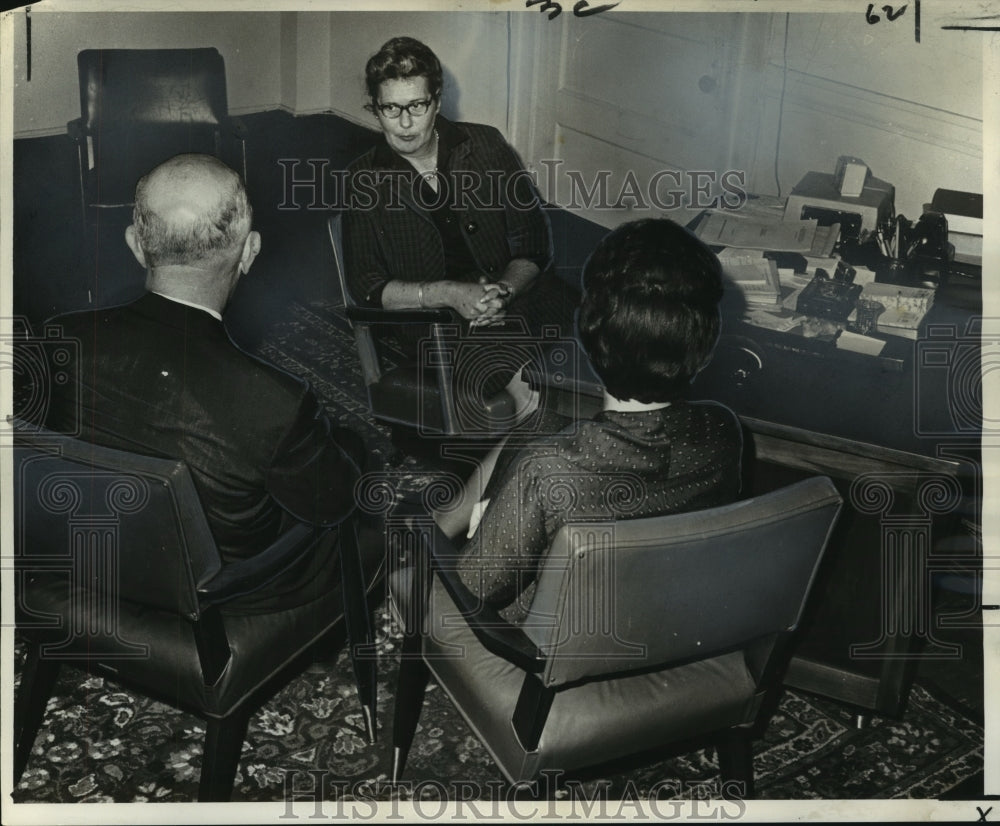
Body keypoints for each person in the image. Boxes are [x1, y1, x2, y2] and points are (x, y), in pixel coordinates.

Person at [40, 153, 365, 613]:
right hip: (219, 596)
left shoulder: (60, 337)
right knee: (354, 477)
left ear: (135, 244)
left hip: (88, 559)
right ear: (250, 251)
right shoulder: (276, 402)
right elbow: (332, 506)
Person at [445, 218, 744, 621]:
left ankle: (432, 535)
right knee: (542, 422)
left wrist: (487, 525)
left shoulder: (548, 470)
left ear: (587, 333)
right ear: (705, 346)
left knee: (429, 579)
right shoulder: (723, 429)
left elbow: (474, 589)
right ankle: (446, 519)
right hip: (661, 616)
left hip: (551, 642)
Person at [342, 36, 578, 422]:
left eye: (416, 105)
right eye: (390, 108)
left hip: (514, 297)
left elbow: (532, 244)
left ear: (436, 101)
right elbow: (368, 287)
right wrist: (451, 294)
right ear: (375, 108)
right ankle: (527, 433)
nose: (404, 123)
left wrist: (504, 290)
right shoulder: (363, 179)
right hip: (437, 325)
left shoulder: (485, 144)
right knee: (502, 366)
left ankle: (539, 416)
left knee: (592, 320)